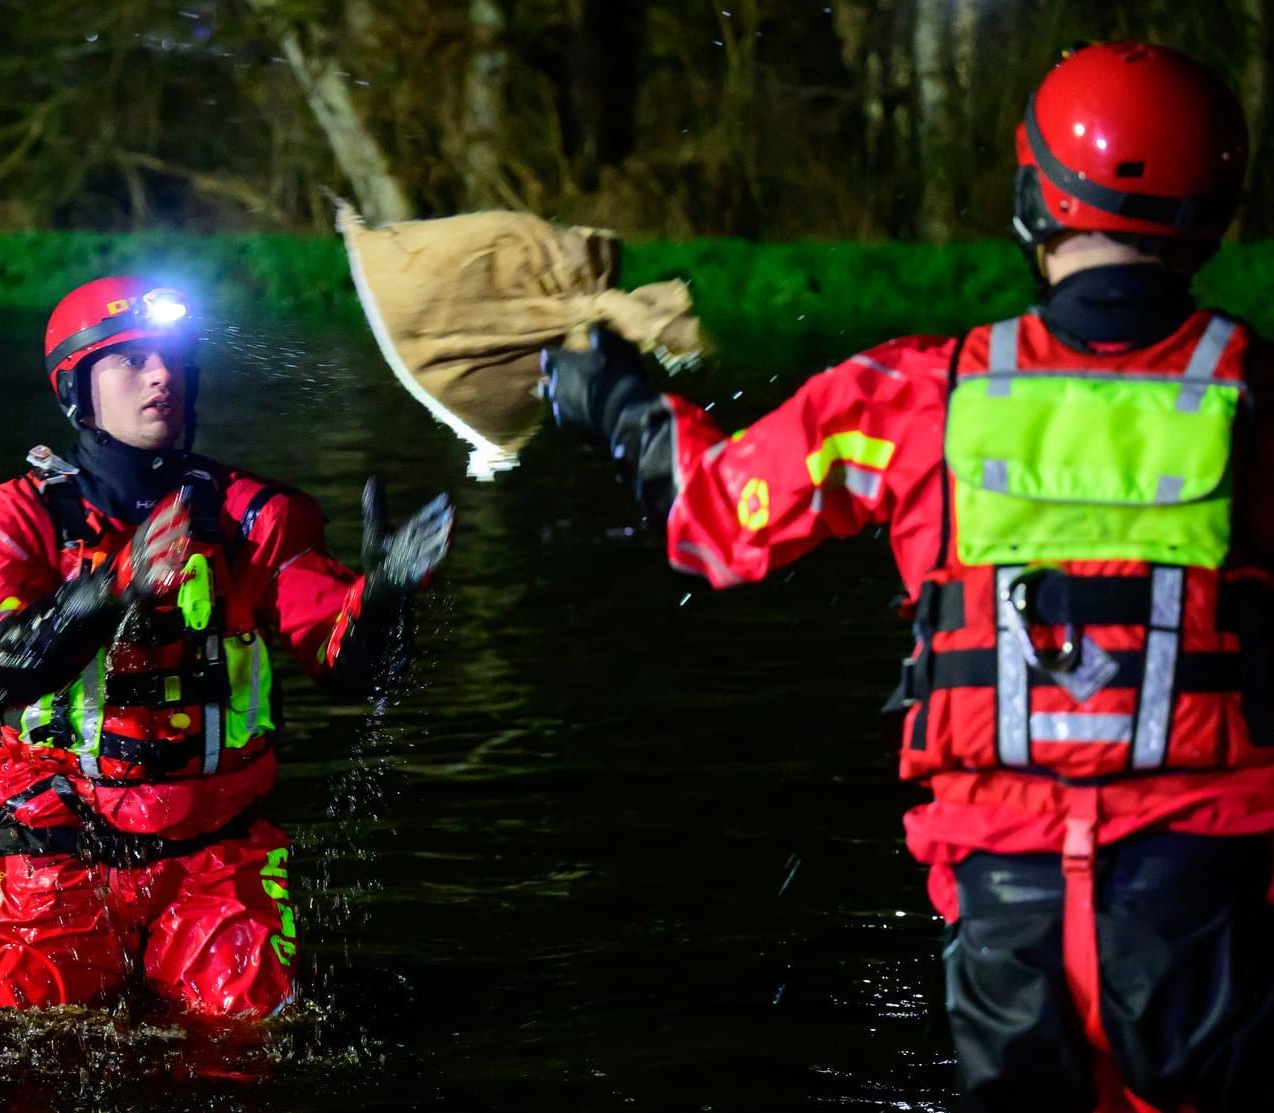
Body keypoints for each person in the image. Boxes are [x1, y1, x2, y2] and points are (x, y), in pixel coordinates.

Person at [541, 43, 1273, 1113]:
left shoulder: (911, 395)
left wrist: (612, 396)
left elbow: (709, 524)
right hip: (1204, 906)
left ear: (1031, 195)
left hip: (1004, 914)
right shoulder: (1255, 400)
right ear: (1212, 209)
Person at [0, 276, 453, 1018]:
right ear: (77, 389)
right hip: (57, 847)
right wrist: (111, 587)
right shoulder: (14, 518)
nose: (162, 375)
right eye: (131, 360)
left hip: (220, 854)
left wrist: (384, 599)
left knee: (246, 1053)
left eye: (174, 359)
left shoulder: (258, 518)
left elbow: (349, 664)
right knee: (43, 1053)